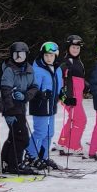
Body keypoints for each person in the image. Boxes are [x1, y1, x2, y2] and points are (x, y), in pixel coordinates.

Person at [0, 42, 37, 174]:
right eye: (16, 55)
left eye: (21, 55)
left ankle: (5, 161)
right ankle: (15, 164)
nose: (18, 58)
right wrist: (9, 112)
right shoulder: (9, 70)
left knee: (14, 136)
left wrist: (25, 96)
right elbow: (5, 91)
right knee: (22, 138)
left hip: (21, 107)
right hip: (12, 109)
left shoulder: (29, 69)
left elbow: (34, 87)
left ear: (26, 55)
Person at [28, 41, 63, 169]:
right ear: (42, 55)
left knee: (50, 132)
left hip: (52, 105)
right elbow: (33, 88)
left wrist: (63, 94)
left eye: (52, 55)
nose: (49, 58)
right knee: (40, 132)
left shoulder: (57, 69)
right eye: (47, 55)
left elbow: (59, 86)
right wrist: (40, 94)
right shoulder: (37, 69)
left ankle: (43, 156)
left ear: (56, 56)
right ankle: (31, 155)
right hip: (40, 106)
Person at [57, 35, 88, 156]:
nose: (75, 50)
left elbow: (79, 78)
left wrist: (86, 85)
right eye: (73, 47)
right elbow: (61, 82)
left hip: (77, 96)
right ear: (68, 48)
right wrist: (66, 97)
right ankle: (72, 146)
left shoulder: (78, 61)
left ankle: (63, 142)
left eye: (77, 48)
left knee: (72, 119)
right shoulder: (65, 63)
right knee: (80, 120)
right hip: (71, 98)